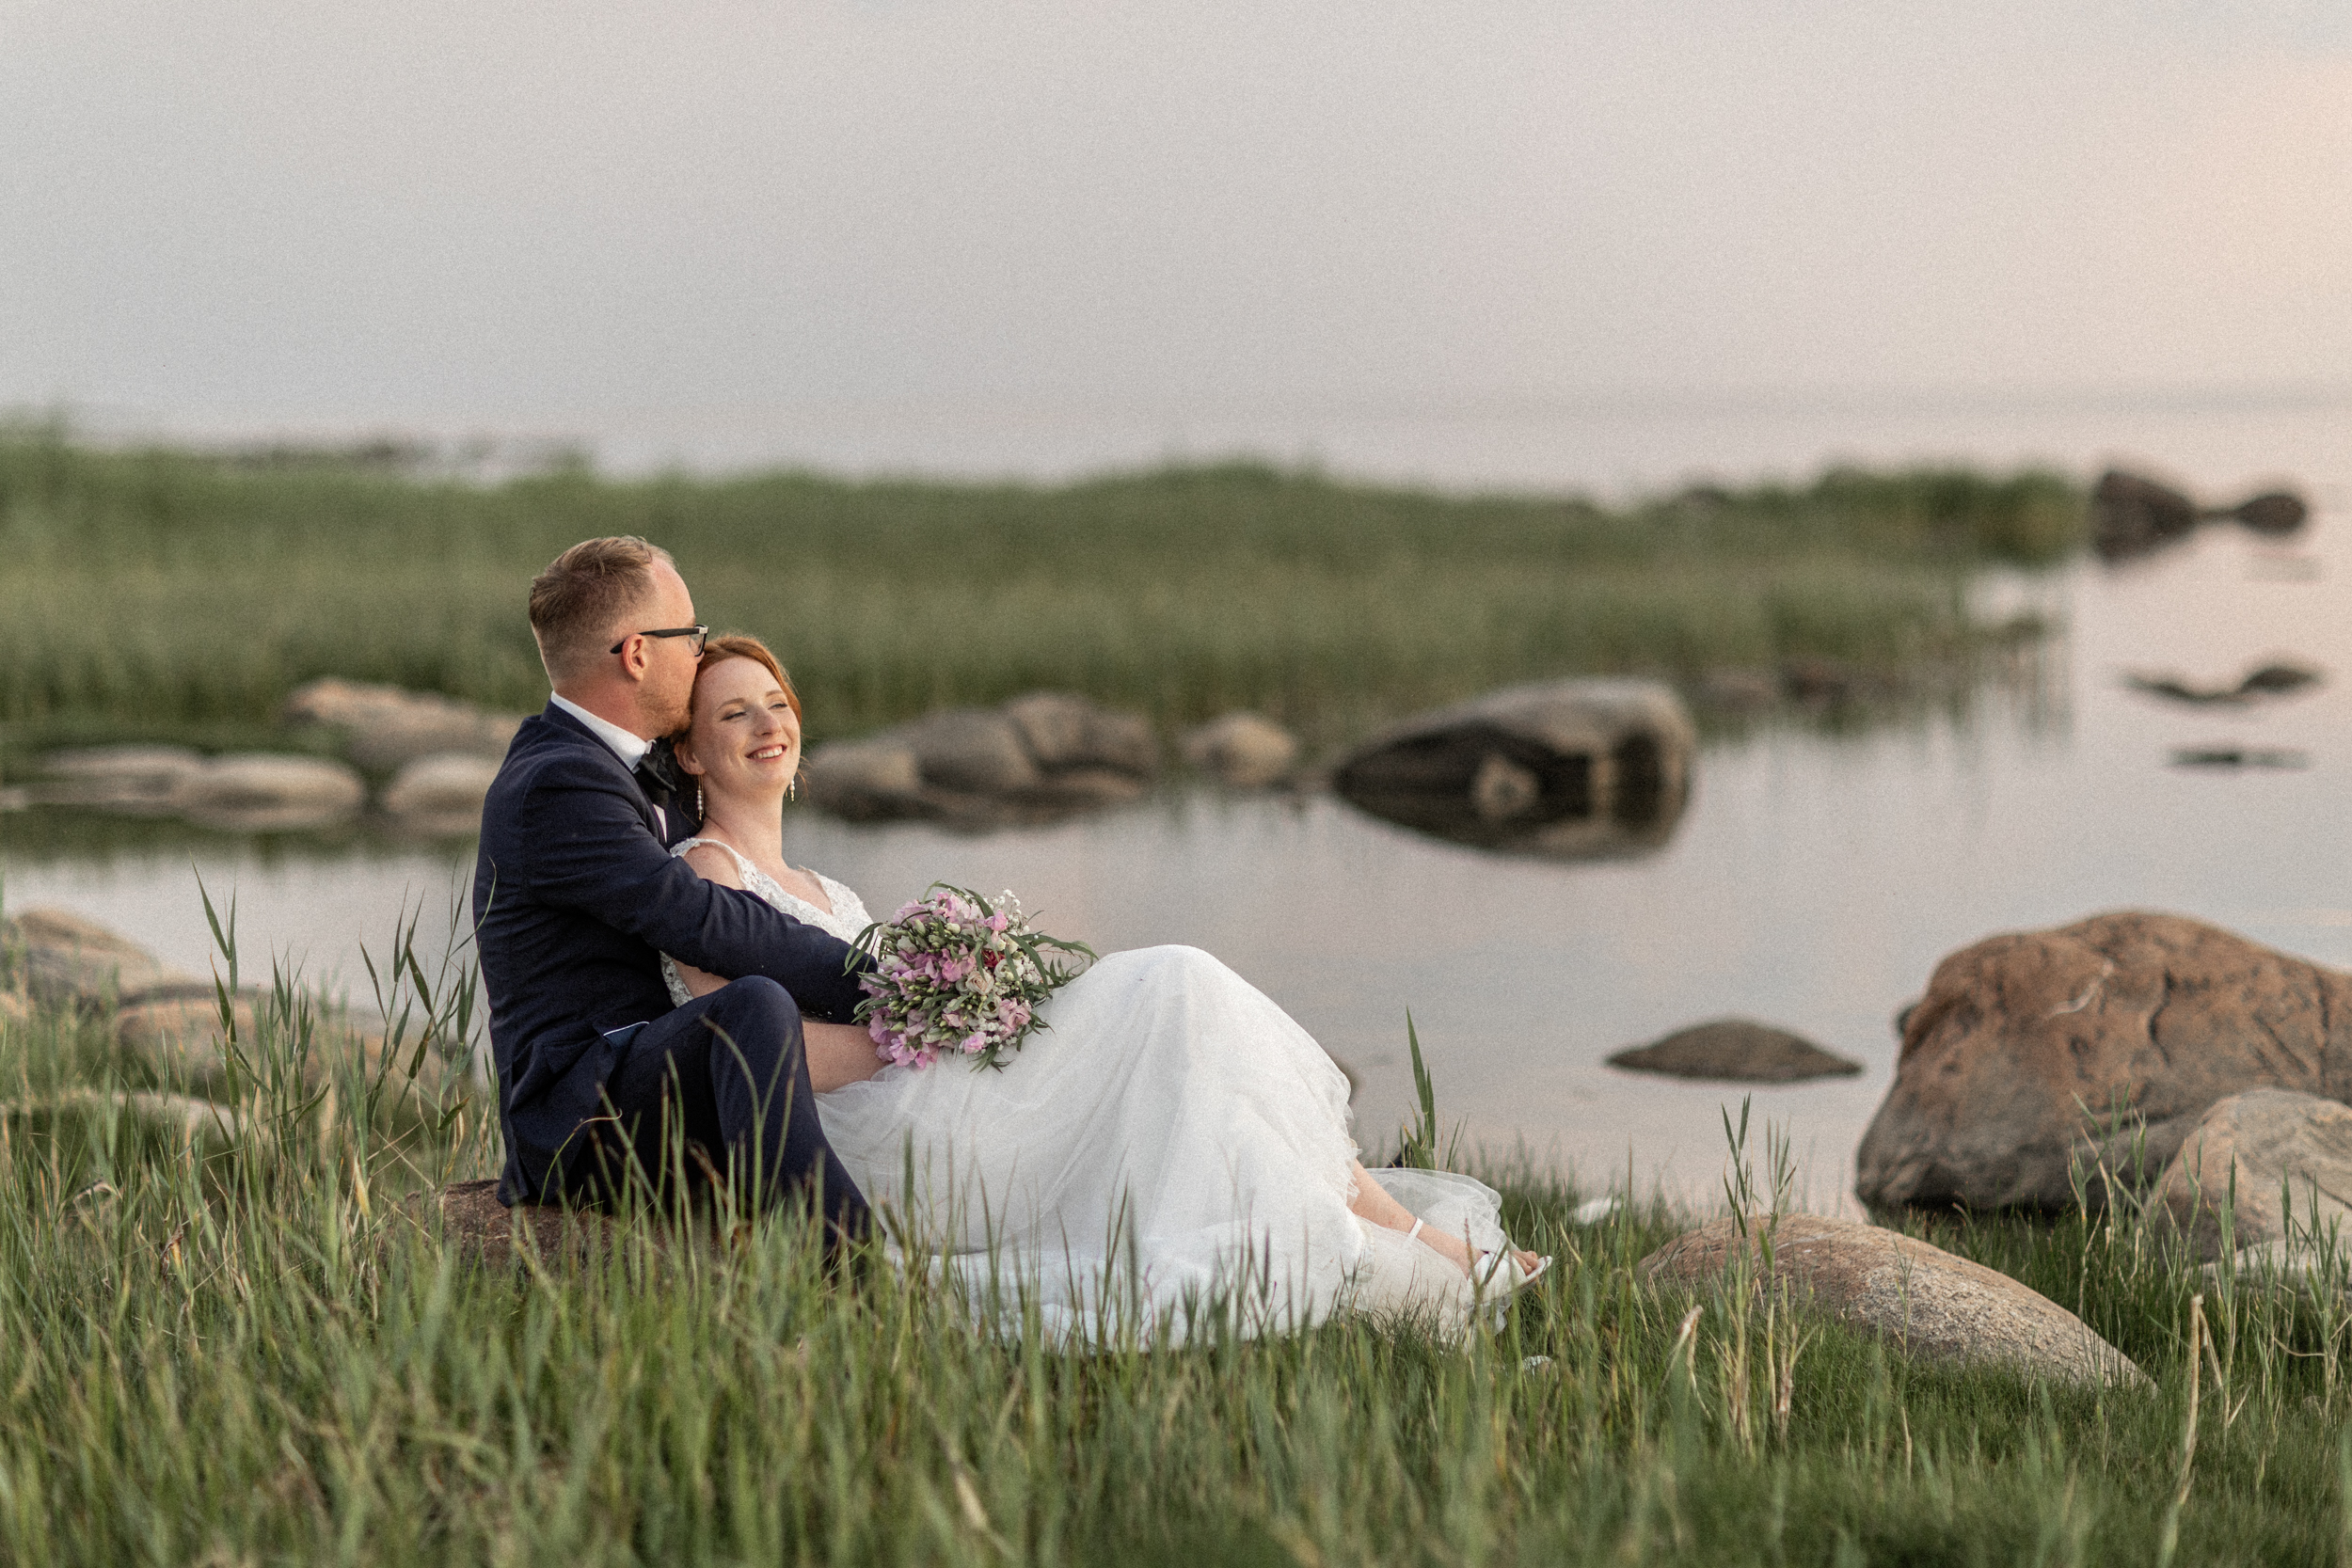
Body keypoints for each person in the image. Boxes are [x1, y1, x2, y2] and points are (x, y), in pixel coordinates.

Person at [659, 634, 1549, 1340]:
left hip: (930, 1087)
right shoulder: (703, 873)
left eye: (776, 702)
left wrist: (970, 1006)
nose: (766, 722)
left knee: (1187, 1021)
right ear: (691, 754)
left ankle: (1395, 1235)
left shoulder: (828, 889)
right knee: (1171, 988)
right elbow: (748, 1046)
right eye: (733, 713)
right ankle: (1410, 1239)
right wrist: (924, 1034)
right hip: (879, 1136)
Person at [471, 538, 870, 1240]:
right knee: (752, 1006)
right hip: (580, 1113)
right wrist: (881, 981)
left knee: (761, 1010)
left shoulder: (636, 766)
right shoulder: (557, 782)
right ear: (636, 654)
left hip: (654, 1075)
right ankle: (850, 1260)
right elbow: (701, 918)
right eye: (692, 635)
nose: (700, 651)